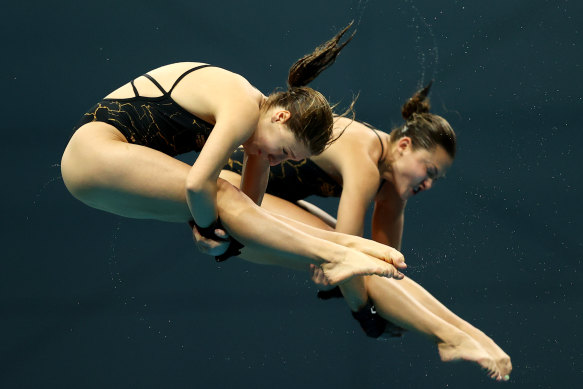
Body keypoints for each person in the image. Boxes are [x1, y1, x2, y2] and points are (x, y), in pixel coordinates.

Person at [60, 22, 406, 287]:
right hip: (93, 153)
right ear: (280, 116)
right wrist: (210, 226)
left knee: (233, 206)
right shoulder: (242, 106)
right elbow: (198, 185)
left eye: (287, 160)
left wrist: (215, 238)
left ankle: (340, 247)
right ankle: (336, 252)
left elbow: (247, 218)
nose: (277, 161)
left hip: (101, 180)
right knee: (220, 192)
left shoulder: (257, 146)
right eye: (283, 151)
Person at [221, 83, 512, 381]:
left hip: (272, 199)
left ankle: (469, 333)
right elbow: (347, 260)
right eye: (429, 171)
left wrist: (377, 308)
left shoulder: (393, 193)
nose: (428, 184)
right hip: (234, 190)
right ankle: (449, 337)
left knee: (378, 265)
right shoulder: (364, 157)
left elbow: (387, 273)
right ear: (403, 146)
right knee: (353, 255)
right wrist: (366, 314)